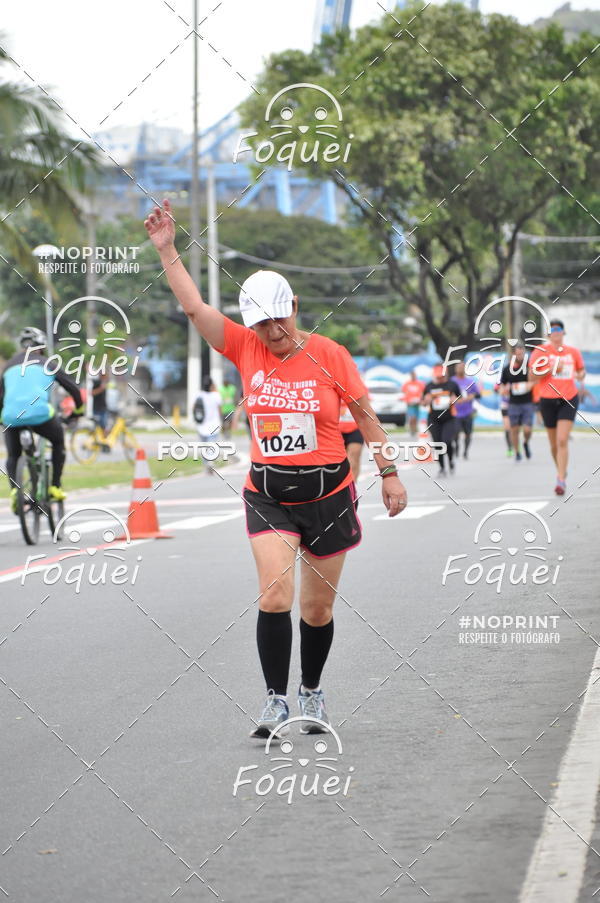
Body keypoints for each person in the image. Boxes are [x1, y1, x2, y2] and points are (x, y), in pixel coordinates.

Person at [144, 199, 408, 738]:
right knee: (274, 595)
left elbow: (366, 416)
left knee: (315, 610)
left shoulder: (330, 354)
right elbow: (195, 309)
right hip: (269, 492)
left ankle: (311, 691)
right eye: (261, 325)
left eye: (278, 321)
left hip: (329, 494)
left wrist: (390, 472)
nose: (271, 333)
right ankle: (274, 701)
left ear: (294, 309)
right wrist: (169, 250)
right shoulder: (244, 347)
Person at [0, 327, 83, 511]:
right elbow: (74, 390)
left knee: (14, 455)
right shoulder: (48, 363)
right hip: (39, 414)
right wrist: (78, 412)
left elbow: (1, 396)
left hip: (11, 416)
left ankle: (15, 491)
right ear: (42, 347)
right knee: (58, 441)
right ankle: (54, 486)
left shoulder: (8, 366)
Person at [529, 318, 585, 495]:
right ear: (548, 335)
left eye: (559, 330)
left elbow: (581, 370)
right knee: (553, 444)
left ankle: (560, 479)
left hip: (568, 398)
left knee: (562, 440)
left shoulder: (573, 352)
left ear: (563, 333)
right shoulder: (540, 352)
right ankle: (561, 468)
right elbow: (531, 377)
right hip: (547, 399)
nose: (556, 334)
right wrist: (552, 369)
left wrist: (581, 374)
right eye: (553, 331)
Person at [422, 364, 460, 475]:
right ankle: (442, 467)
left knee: (447, 441)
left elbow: (459, 397)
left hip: (449, 418)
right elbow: (423, 402)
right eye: (438, 377)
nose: (440, 379)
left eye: (442, 376)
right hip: (434, 419)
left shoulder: (452, 385)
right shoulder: (429, 386)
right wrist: (426, 401)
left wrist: (455, 399)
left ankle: (451, 460)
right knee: (437, 443)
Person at [499, 343, 534, 462]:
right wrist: (505, 390)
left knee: (527, 430)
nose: (520, 356)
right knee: (514, 430)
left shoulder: (529, 367)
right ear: (513, 354)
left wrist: (529, 385)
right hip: (513, 403)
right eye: (518, 354)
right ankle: (517, 452)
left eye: (522, 354)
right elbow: (501, 387)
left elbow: (534, 381)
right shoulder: (507, 370)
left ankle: (525, 443)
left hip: (527, 402)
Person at [194, 375, 223, 474]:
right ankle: (210, 461)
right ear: (211, 385)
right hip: (214, 425)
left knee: (204, 446)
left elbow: (194, 409)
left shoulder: (199, 395)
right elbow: (220, 410)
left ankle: (206, 464)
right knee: (212, 444)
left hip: (202, 425)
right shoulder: (216, 395)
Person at [452, 361, 481, 459]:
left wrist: (470, 396)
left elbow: (478, 394)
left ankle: (465, 451)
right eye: (458, 367)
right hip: (456, 413)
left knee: (468, 434)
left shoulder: (470, 382)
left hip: (468, 412)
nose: (460, 369)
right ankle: (456, 447)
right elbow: (447, 393)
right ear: (455, 369)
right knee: (455, 433)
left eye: (462, 367)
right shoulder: (452, 381)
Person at [339, 401, 364, 482]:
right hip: (336, 430)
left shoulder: (360, 388)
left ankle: (353, 486)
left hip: (355, 428)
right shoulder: (330, 389)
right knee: (341, 461)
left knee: (353, 458)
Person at [402, 370, 424, 438]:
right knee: (411, 418)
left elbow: (422, 393)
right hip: (410, 404)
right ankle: (411, 430)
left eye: (414, 375)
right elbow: (404, 393)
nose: (413, 376)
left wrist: (420, 400)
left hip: (417, 404)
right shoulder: (407, 384)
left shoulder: (420, 384)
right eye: (412, 375)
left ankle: (414, 430)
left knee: (416, 418)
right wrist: (407, 400)